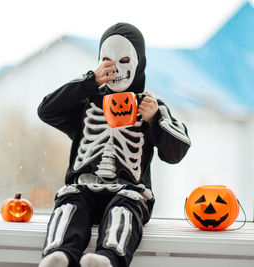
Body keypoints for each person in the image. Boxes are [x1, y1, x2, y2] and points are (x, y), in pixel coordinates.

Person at [37, 22, 191, 267]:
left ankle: (107, 260)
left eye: (124, 60)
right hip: (84, 189)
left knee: (126, 206)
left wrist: (156, 120)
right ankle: (59, 256)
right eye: (107, 60)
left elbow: (177, 152)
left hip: (128, 193)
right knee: (69, 201)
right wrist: (89, 81)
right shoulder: (85, 103)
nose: (115, 68)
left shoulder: (151, 107)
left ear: (139, 62)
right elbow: (46, 110)